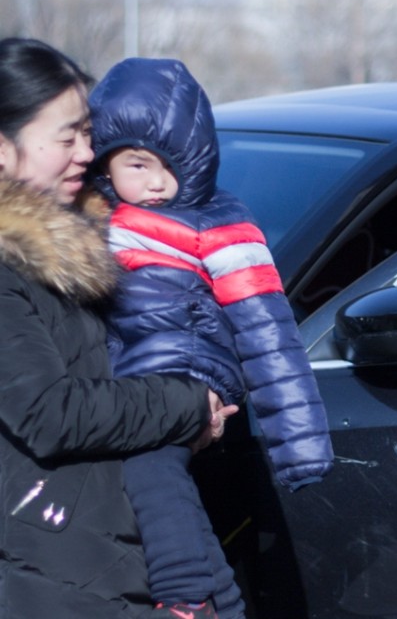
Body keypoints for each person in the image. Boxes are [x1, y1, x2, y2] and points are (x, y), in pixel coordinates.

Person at [83, 57, 335, 618]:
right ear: (106, 161)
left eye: (168, 166)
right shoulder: (91, 217)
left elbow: (267, 330)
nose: (155, 182)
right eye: (137, 164)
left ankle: (183, 597)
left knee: (149, 467)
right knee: (177, 502)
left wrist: (299, 446)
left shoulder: (218, 225)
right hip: (125, 381)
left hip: (187, 372)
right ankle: (223, 604)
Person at [0, 37, 236, 618]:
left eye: (89, 134)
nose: (87, 153)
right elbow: (50, 412)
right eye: (67, 138)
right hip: (51, 575)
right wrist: (189, 403)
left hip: (113, 557)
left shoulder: (87, 243)